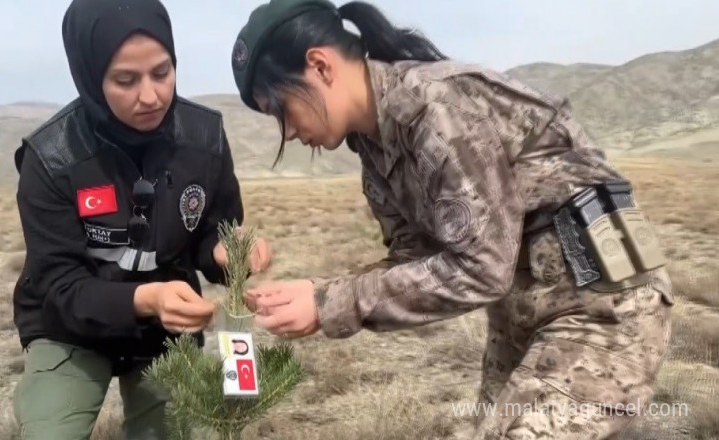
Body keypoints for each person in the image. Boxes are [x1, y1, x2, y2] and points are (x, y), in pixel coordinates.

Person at [231, 0, 673, 438]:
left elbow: (481, 267)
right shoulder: (375, 149)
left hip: (600, 304)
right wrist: (319, 296)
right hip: (523, 309)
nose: (286, 131)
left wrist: (332, 302)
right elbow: (415, 260)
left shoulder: (435, 106)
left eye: (280, 109)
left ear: (320, 66)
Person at [10, 0, 271, 438]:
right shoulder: (51, 158)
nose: (150, 96)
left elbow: (212, 234)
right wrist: (146, 299)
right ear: (91, 77)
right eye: (125, 80)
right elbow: (61, 288)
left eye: (162, 72)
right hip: (71, 330)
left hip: (165, 332)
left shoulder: (203, 138)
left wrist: (230, 253)